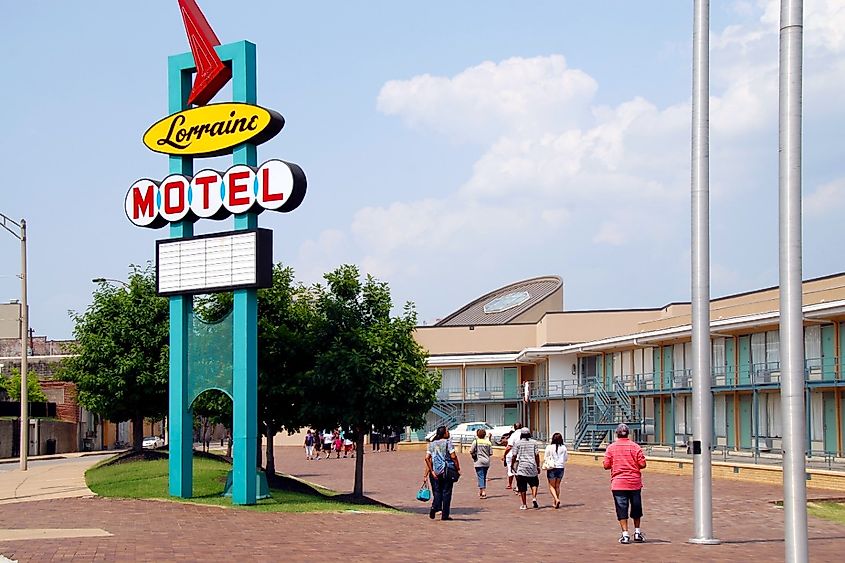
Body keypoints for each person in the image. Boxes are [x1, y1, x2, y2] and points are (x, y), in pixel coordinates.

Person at [603, 423, 647, 544]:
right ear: (628, 433)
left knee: (621, 508)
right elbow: (642, 464)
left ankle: (625, 534)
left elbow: (606, 465)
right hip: (634, 482)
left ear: (617, 433)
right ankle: (637, 532)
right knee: (636, 508)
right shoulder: (635, 447)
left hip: (618, 483)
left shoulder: (611, 448)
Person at [424, 425, 460, 521]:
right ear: (444, 434)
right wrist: (457, 467)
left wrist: (431, 471)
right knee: (447, 492)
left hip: (435, 471)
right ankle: (445, 515)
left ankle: (435, 507)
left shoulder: (432, 444)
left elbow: (427, 458)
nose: (448, 433)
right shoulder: (448, 443)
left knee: (437, 491)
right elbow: (453, 456)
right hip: (447, 470)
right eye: (447, 431)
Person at [511, 429, 540, 510]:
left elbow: (514, 455)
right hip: (532, 466)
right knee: (534, 483)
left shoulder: (518, 443)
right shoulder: (534, 442)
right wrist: (538, 466)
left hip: (522, 467)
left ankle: (524, 504)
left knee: (522, 487)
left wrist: (512, 464)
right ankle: (534, 497)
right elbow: (537, 455)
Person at [544, 432, 569, 509]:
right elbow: (566, 459)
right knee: (557, 485)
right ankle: (555, 502)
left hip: (552, 467)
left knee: (551, 485)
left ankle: (556, 499)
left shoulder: (549, 447)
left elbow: (546, 457)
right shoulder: (564, 447)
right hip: (560, 467)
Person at [469, 428, 493, 499]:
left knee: (480, 476)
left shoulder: (475, 442)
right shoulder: (488, 442)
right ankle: (481, 490)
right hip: (486, 461)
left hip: (478, 461)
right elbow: (491, 453)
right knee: (483, 476)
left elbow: (471, 451)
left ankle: (483, 491)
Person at [503, 422, 525, 492]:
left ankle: (517, 486)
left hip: (514, 455)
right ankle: (520, 486)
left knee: (513, 470)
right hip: (523, 455)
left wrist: (504, 454)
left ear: (514, 427)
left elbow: (509, 446)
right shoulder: (525, 434)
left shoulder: (514, 435)